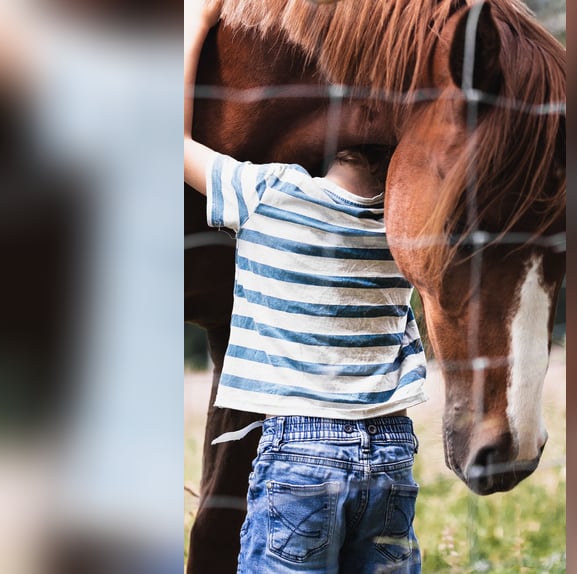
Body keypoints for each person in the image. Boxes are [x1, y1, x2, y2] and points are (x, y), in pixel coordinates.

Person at [184, 1, 427, 572]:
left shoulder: (271, 196)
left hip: (300, 451)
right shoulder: (405, 235)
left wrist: (194, 23)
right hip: (391, 450)